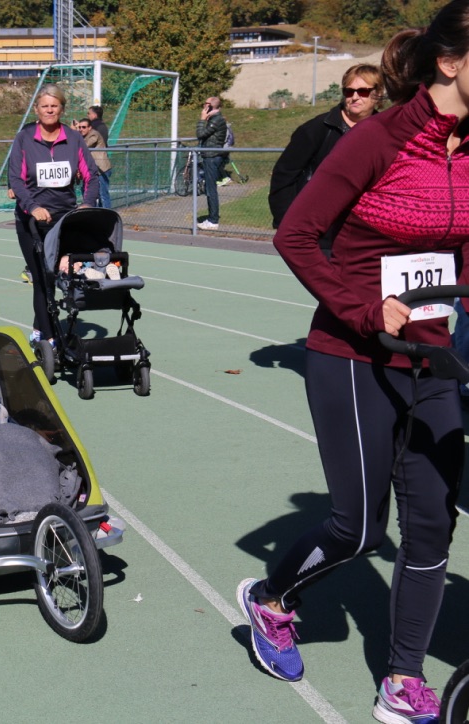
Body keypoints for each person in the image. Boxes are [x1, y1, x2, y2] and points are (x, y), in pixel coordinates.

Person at [237, 4, 469, 722]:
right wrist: (366, 309)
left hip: (431, 358)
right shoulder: (377, 140)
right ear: (451, 63)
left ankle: (404, 678)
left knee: (431, 526)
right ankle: (271, 598)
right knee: (361, 530)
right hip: (352, 355)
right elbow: (297, 235)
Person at [7, 83, 96, 345]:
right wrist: (33, 207)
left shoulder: (74, 138)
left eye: (54, 106)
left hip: (64, 220)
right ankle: (47, 338)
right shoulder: (24, 138)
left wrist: (87, 203)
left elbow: (91, 175)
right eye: (44, 106)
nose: (49, 110)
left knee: (61, 276)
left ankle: (41, 325)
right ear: (36, 109)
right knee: (41, 279)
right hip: (32, 220)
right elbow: (16, 179)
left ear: (61, 109)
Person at [269, 64, 384, 255]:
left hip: (367, 239)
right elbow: (283, 177)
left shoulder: (387, 132)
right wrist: (287, 226)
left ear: (378, 94)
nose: (355, 97)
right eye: (349, 91)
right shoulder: (316, 129)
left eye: (363, 91)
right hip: (320, 239)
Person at [195, 96, 228, 231]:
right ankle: (211, 218)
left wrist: (202, 119)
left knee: (211, 189)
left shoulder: (216, 120)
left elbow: (200, 134)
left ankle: (213, 220)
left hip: (212, 157)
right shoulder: (214, 119)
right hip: (210, 156)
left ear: (210, 106)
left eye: (205, 104)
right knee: (209, 188)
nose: (203, 106)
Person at [76, 117, 112, 209]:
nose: (81, 129)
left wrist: (75, 133)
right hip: (91, 170)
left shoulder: (94, 134)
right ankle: (92, 212)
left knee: (102, 194)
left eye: (84, 127)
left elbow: (84, 145)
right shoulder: (83, 136)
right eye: (79, 127)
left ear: (90, 128)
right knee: (88, 193)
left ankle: (107, 214)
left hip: (101, 169)